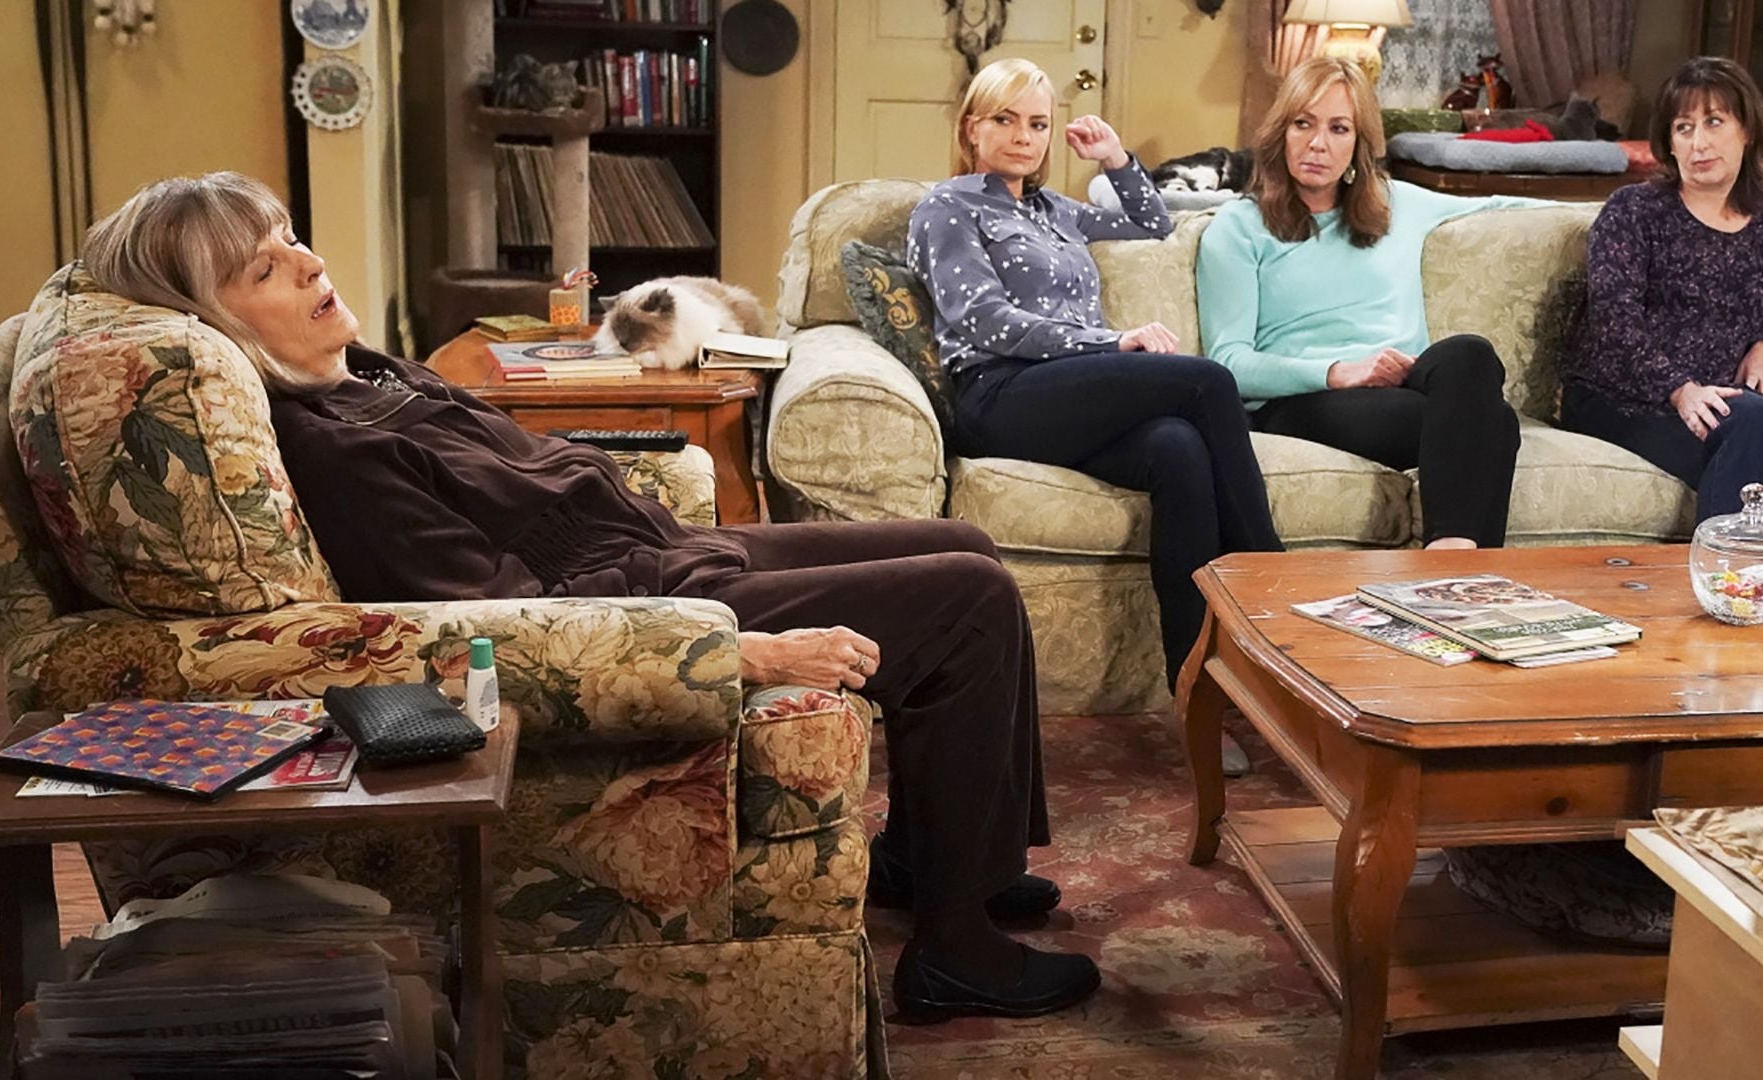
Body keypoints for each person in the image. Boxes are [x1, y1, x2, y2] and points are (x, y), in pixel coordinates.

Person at [79, 171, 1099, 1023]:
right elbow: (489, 618)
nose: (308, 263)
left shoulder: (367, 377)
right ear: (215, 323)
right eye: (264, 268)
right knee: (966, 596)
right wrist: (725, 647)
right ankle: (956, 950)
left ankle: (936, 860)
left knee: (966, 541)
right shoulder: (334, 454)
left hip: (662, 549)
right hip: (639, 601)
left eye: (291, 239)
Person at [908, 57, 1282, 687]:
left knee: (1177, 448)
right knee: (1207, 381)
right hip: (999, 394)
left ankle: (1196, 685)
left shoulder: (1056, 209)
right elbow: (985, 321)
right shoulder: (947, 206)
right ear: (972, 128)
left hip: (1068, 395)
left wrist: (1115, 158)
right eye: (1004, 120)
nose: (1023, 137)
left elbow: (1152, 224)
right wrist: (1112, 341)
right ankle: (1274, 587)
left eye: (1037, 124)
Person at [1196, 56, 1540, 550]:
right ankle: (1455, 568)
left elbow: (1506, 208)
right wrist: (1339, 372)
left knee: (1470, 353)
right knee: (1497, 425)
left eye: (1339, 128)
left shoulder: (1398, 203)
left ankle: (1449, 560)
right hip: (1303, 400)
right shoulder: (1239, 227)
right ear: (1280, 134)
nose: (1318, 143)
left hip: (1403, 382)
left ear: (1359, 144)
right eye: (1303, 124)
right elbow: (1229, 361)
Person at [1561, 56, 1763, 522]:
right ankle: (1747, 566)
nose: (1698, 143)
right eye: (1683, 128)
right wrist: (1678, 390)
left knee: (1758, 433)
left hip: (1715, 397)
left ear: (1748, 129)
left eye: (1714, 122)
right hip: (1616, 396)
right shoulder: (1633, 210)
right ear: (1669, 143)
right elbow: (1614, 321)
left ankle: (1729, 565)